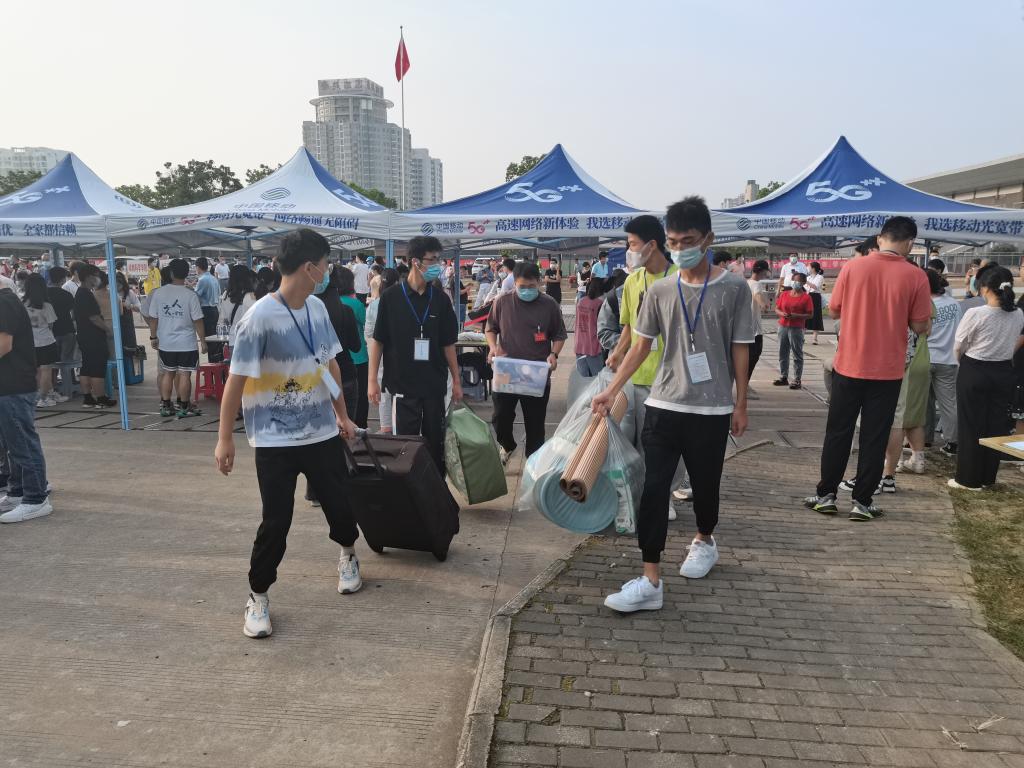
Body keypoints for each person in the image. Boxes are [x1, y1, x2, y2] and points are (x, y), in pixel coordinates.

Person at [595, 196, 754, 612]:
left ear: (708, 239)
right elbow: (639, 346)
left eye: (689, 240)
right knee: (653, 487)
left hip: (712, 408)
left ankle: (704, 539)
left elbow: (741, 348)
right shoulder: (660, 290)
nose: (681, 248)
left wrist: (740, 403)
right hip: (664, 403)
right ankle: (650, 578)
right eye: (673, 241)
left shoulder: (734, 288)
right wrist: (612, 389)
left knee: (705, 486)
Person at [214, 228, 361, 639]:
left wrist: (342, 416)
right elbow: (235, 382)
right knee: (276, 521)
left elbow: (329, 365)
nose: (328, 272)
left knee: (339, 504)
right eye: (326, 265)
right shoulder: (258, 318)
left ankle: (348, 554)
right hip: (274, 440)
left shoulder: (316, 309)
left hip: (320, 432)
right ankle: (258, 595)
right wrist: (224, 438)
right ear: (310, 268)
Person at [803, 217, 931, 521]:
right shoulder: (916, 275)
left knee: (838, 431)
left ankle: (826, 495)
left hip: (849, 365)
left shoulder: (853, 267)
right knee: (874, 436)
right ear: (910, 242)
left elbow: (834, 310)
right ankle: (862, 501)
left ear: (881, 237)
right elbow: (920, 325)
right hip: (888, 371)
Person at [608, 215, 690, 514]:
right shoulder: (632, 281)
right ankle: (646, 495)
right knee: (644, 442)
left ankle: (665, 494)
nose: (628, 251)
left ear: (651, 245)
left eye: (632, 244)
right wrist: (618, 353)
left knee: (671, 444)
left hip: (673, 379)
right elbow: (629, 326)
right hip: (638, 377)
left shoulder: (682, 278)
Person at [368, 235, 462, 474]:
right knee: (405, 447)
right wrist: (372, 380)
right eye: (432, 260)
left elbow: (448, 344)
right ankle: (409, 491)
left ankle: (436, 488)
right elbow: (378, 341)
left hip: (434, 385)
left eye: (439, 260)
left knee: (435, 444)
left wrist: (456, 381)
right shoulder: (390, 298)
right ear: (415, 262)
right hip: (402, 386)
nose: (437, 265)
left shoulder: (440, 300)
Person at [949, 266, 1024, 490]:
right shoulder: (1018, 314)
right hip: (1003, 371)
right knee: (995, 425)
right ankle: (987, 477)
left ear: (985, 288)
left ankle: (967, 479)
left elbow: (959, 347)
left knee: (971, 424)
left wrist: (964, 363)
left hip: (975, 369)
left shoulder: (976, 313)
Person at [486, 261, 567, 462]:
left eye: (532, 286)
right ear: (514, 283)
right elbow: (490, 328)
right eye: (522, 286)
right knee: (500, 417)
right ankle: (507, 444)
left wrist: (554, 354)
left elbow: (559, 335)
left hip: (536, 373)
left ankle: (533, 461)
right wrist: (493, 346)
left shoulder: (549, 304)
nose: (527, 290)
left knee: (535, 422)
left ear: (539, 282)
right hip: (507, 370)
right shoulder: (502, 301)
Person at [0, 283, 52, 523]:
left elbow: (4, 344)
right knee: (13, 444)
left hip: (14, 386)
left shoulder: (5, 302)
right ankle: (18, 492)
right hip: (9, 385)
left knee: (22, 443)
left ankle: (35, 498)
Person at [145, 258, 207, 418]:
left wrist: (153, 337)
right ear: (186, 274)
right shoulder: (190, 294)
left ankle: (165, 406)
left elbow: (153, 318)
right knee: (185, 374)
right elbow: (198, 320)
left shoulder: (158, 293)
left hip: (166, 343)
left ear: (171, 273)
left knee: (168, 373)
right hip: (187, 343)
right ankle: (184, 407)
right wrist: (203, 341)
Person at [924, 268, 961, 456]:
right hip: (948, 360)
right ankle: (952, 442)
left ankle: (924, 439)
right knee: (949, 404)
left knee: (924, 402)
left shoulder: (924, 305)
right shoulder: (954, 304)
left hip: (925, 358)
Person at [72, 266, 116, 409]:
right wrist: (107, 329)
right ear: (89, 277)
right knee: (97, 368)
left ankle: (88, 398)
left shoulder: (80, 293)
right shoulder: (86, 294)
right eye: (96, 275)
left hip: (84, 336)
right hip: (94, 337)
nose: (98, 279)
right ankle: (101, 398)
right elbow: (94, 318)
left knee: (87, 367)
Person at [364, 268, 400, 433]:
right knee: (400, 388)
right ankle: (399, 425)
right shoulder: (402, 302)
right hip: (398, 351)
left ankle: (385, 426)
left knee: (383, 386)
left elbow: (368, 333)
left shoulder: (373, 305)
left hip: (377, 352)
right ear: (397, 282)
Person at [336, 266, 369, 429]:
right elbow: (366, 324)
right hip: (359, 357)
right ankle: (360, 426)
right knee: (361, 396)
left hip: (336, 359)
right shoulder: (355, 304)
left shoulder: (325, 304)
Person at [21, 274, 60, 408]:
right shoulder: (46, 306)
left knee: (38, 371)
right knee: (46, 371)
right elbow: (51, 325)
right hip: (46, 342)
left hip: (30, 343)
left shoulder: (22, 304)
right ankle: (44, 398)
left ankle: (43, 395)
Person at [773, 271, 813, 390]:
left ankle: (797, 379)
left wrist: (797, 315)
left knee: (797, 353)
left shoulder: (806, 297)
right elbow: (777, 308)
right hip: (783, 326)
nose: (796, 283)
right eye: (794, 280)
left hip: (797, 327)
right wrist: (782, 314)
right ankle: (783, 376)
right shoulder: (784, 294)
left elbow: (810, 314)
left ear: (804, 283)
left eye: (799, 281)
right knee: (782, 352)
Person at [217, 264, 258, 346]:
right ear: (248, 278)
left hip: (233, 340)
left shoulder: (226, 295)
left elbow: (222, 321)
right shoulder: (252, 296)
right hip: (250, 340)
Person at [574, 277, 605, 378]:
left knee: (583, 380)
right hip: (593, 346)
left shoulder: (580, 301)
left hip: (579, 344)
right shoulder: (599, 303)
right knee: (597, 379)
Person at [46, 267, 77, 367]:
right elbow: (73, 315)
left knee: (51, 363)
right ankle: (66, 377)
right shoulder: (67, 295)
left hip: (50, 332)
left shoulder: (44, 294)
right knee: (66, 361)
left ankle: (53, 377)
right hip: (67, 329)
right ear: (63, 279)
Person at [747, 260, 771, 383]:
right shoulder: (756, 284)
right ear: (762, 271)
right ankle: (745, 382)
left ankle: (743, 382)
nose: (766, 274)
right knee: (755, 354)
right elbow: (756, 295)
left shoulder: (746, 282)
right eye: (766, 271)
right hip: (754, 327)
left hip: (745, 325)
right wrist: (763, 305)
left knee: (747, 356)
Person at [194, 256, 221, 346]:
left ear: (198, 267)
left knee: (209, 338)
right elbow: (219, 293)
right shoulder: (214, 278)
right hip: (215, 310)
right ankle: (217, 355)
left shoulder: (202, 280)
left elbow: (196, 296)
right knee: (215, 338)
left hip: (206, 311)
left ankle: (212, 354)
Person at [805, 261, 826, 344]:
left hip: (815, 297)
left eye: (809, 267)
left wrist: (805, 281)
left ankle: (815, 338)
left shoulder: (820, 277)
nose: (808, 268)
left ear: (813, 268)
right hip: (807, 296)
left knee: (816, 316)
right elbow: (805, 288)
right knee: (805, 316)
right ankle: (802, 336)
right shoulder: (808, 277)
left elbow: (815, 287)